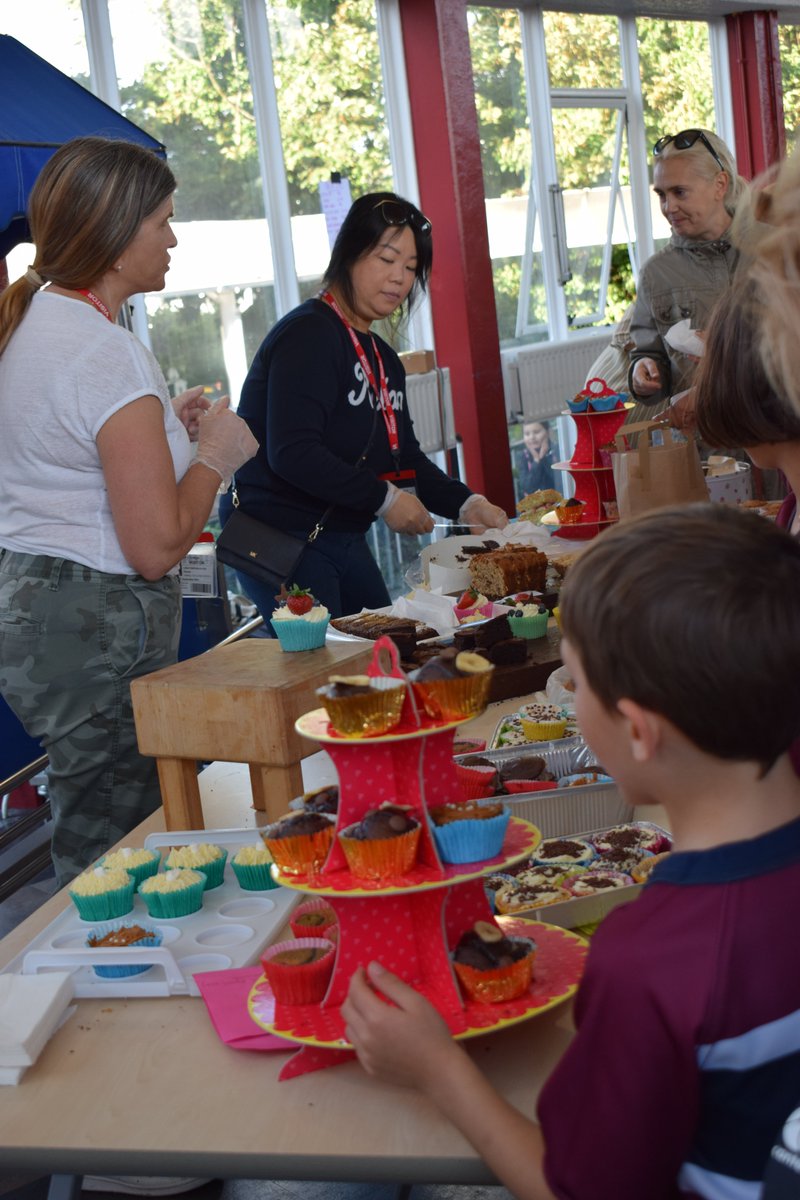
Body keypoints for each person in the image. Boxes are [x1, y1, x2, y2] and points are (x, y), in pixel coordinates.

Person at [342, 502, 800, 1200]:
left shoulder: (652, 961)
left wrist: (438, 1070)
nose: (572, 699)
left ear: (639, 733)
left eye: (577, 684)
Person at [0, 136, 258, 886]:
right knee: (119, 842)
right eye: (163, 222)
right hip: (96, 625)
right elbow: (156, 546)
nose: (174, 239)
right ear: (116, 236)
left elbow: (62, 465)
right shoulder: (104, 352)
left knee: (95, 819)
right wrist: (214, 455)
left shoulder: (31, 326)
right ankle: (114, 982)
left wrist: (164, 436)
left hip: (39, 612)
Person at [220, 191, 507, 622]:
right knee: (337, 669)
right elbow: (293, 452)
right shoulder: (308, 335)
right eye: (386, 259)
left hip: (339, 533)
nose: (399, 278)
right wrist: (385, 500)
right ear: (349, 253)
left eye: (411, 268)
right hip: (279, 534)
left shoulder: (383, 359)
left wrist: (467, 504)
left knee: (385, 648)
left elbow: (403, 458)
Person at [627, 128, 746, 430]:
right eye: (661, 195)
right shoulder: (656, 273)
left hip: (781, 445)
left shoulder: (775, 249)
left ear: (720, 185)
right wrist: (643, 372)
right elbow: (647, 351)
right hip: (703, 455)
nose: (669, 207)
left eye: (679, 192)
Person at [517, 419, 555, 497]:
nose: (532, 437)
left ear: (547, 432)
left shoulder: (556, 450)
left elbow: (558, 480)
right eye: (527, 434)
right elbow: (528, 487)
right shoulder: (524, 457)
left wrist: (544, 458)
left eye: (536, 432)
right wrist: (537, 461)